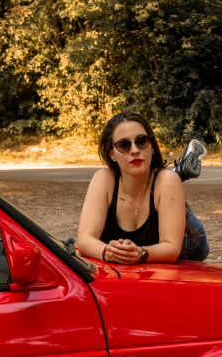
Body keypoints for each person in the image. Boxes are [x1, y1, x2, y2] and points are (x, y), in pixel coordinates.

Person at [77, 112, 208, 264]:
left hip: (188, 244)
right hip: (158, 190)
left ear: (152, 147)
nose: (134, 150)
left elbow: (172, 249)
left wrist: (141, 253)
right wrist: (107, 251)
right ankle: (177, 173)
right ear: (112, 154)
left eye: (142, 141)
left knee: (169, 184)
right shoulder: (103, 179)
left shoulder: (167, 183)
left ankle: (175, 177)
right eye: (123, 145)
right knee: (166, 182)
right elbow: (84, 240)